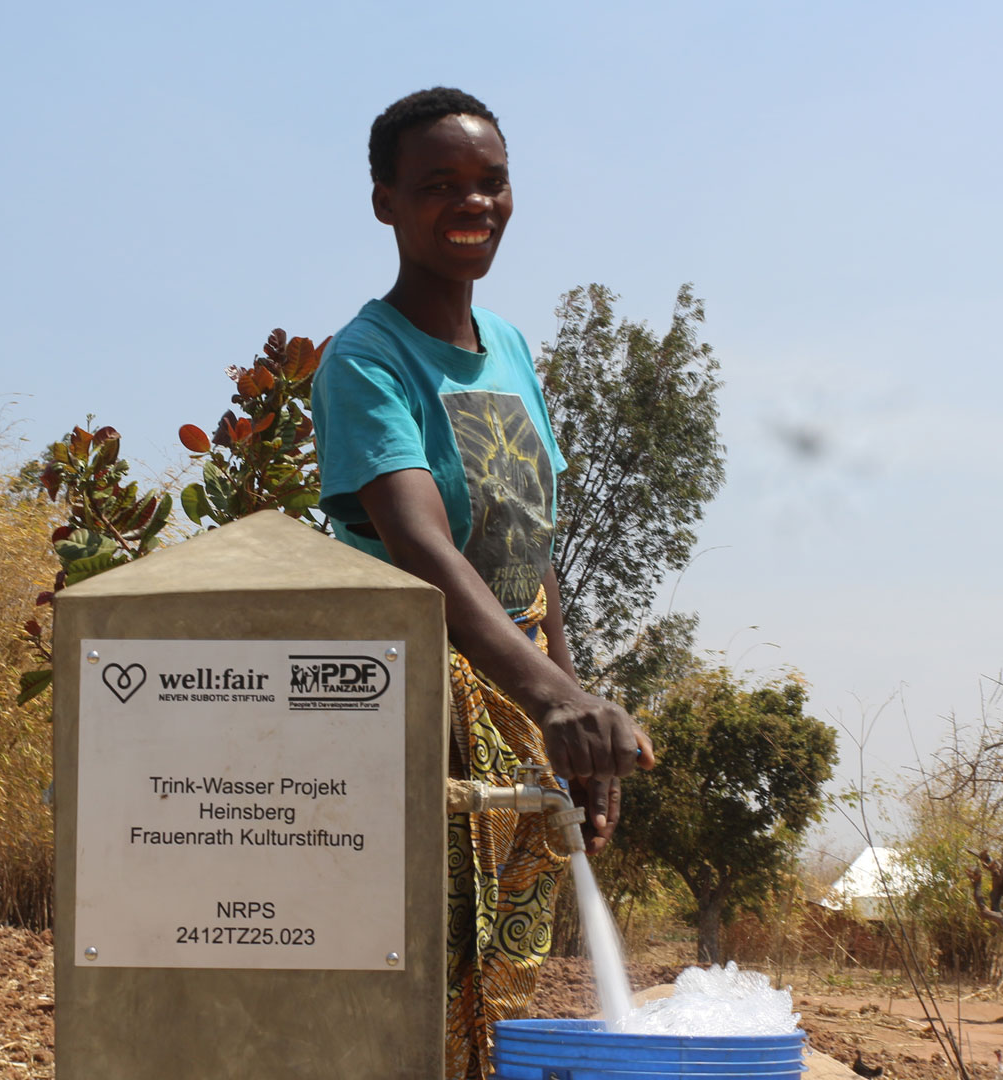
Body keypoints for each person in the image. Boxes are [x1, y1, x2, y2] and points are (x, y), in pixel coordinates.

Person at [310, 86, 656, 1079]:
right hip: (411, 712)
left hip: (510, 702)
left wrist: (574, 705)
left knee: (500, 987)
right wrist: (551, 698)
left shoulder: (508, 348)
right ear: (385, 203)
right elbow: (424, 548)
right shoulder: (367, 362)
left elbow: (531, 544)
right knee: (404, 981)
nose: (473, 203)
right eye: (439, 185)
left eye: (491, 183)